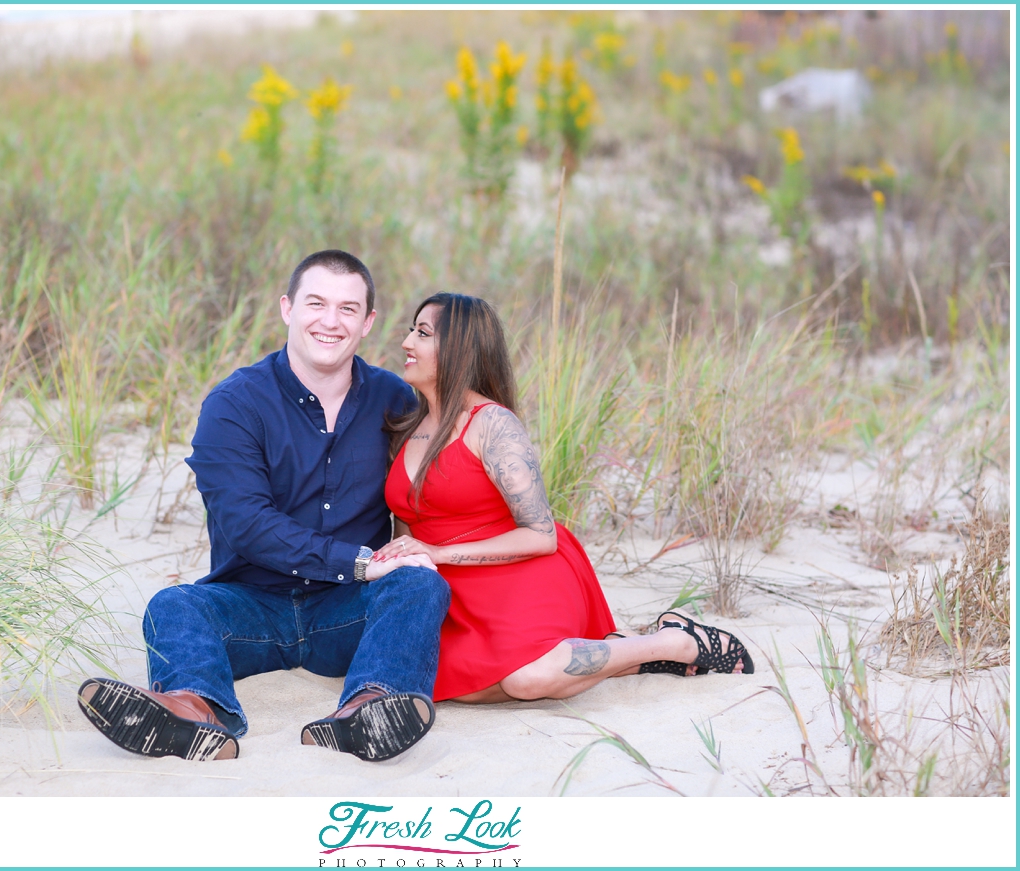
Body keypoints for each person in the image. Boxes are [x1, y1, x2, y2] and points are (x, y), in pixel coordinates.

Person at [77, 251, 450, 761]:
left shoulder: (395, 399)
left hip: (346, 610)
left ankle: (366, 708)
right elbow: (248, 525)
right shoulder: (234, 404)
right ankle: (192, 711)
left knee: (419, 584)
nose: (329, 321)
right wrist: (361, 562)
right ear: (287, 309)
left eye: (347, 309)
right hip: (250, 608)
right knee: (175, 605)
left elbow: (447, 479)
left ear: (367, 323)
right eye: (315, 303)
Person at [374, 293, 753, 704]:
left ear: (460, 348)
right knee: (463, 688)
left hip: (518, 572)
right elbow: (406, 530)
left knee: (526, 681)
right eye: (413, 330)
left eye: (423, 333)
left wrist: (437, 553)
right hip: (450, 591)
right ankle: (624, 653)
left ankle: (673, 644)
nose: (407, 342)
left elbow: (541, 536)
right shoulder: (406, 429)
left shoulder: (493, 425)